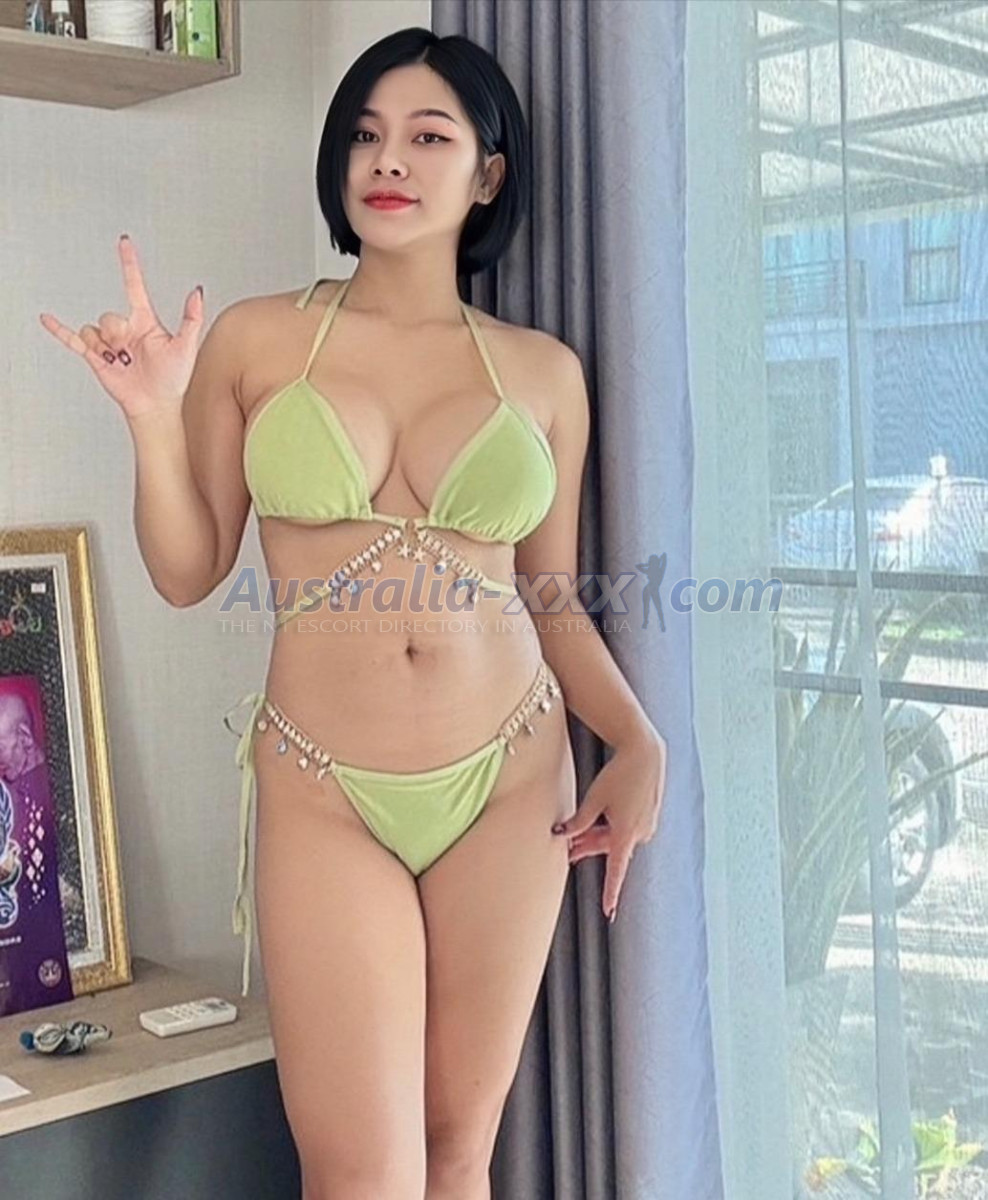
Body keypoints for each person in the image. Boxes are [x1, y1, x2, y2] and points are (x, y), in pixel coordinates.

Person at [39, 26, 666, 1200]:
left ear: (488, 172)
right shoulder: (258, 337)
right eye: (366, 135)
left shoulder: (543, 371)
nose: (389, 159)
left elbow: (549, 594)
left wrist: (637, 740)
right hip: (324, 789)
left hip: (510, 778)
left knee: (456, 1153)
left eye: (428, 136)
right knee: (358, 1176)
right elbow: (187, 570)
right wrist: (151, 419)